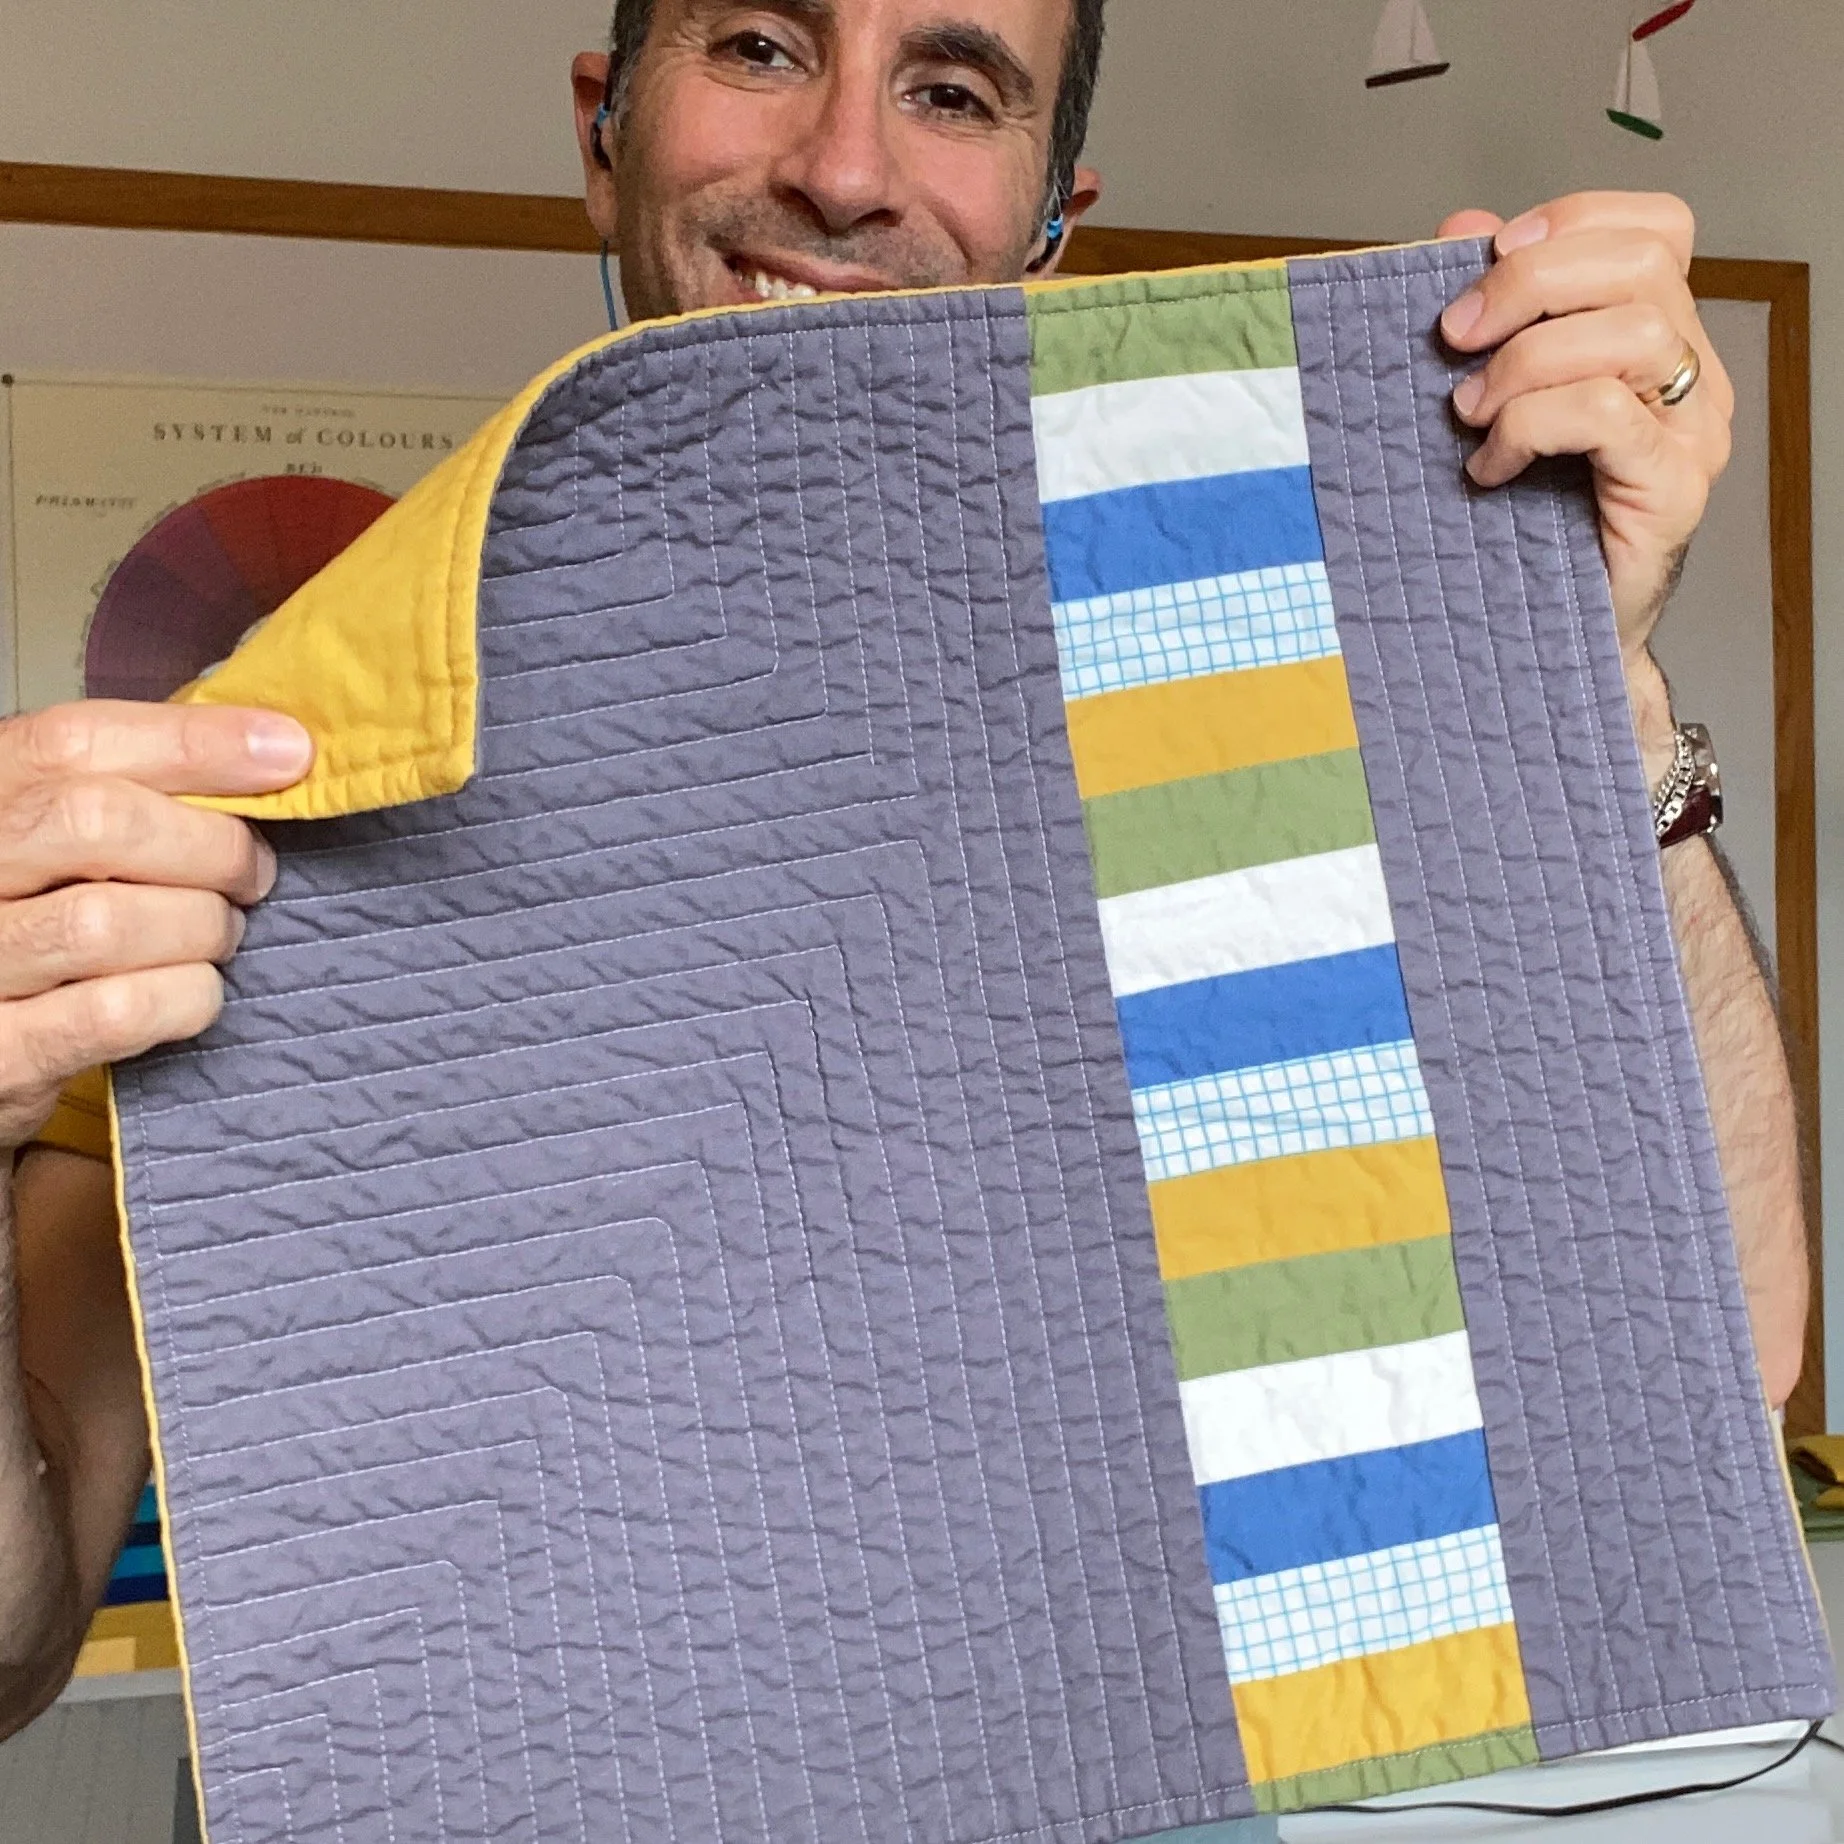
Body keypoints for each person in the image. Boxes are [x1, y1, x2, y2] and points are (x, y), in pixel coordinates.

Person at [0, 0, 1802, 1742]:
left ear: (1048, 220)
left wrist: (1606, 696)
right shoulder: (287, 769)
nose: (845, 167)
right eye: (764, 46)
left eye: (953, 90)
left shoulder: (1246, 705)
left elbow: (1727, 1382)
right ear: (601, 129)